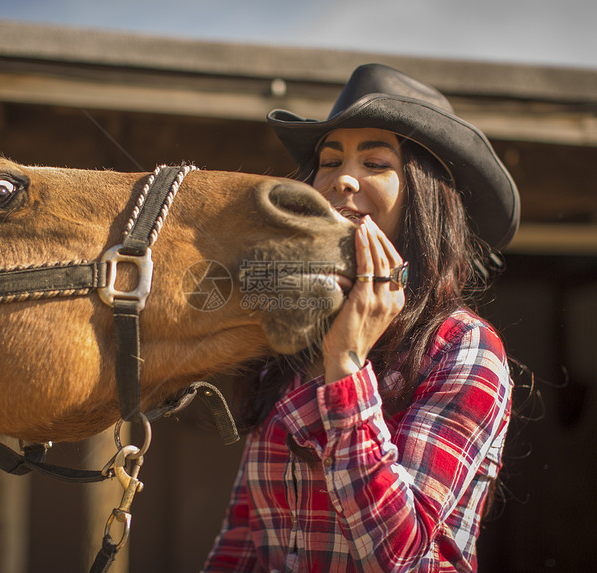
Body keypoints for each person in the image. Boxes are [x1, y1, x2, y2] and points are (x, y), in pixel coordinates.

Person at [203, 63, 520, 572]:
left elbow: (399, 556)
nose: (342, 179)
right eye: (329, 161)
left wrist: (346, 363)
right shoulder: (291, 336)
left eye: (375, 162)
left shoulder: (465, 348)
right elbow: (246, 533)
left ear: (425, 195)